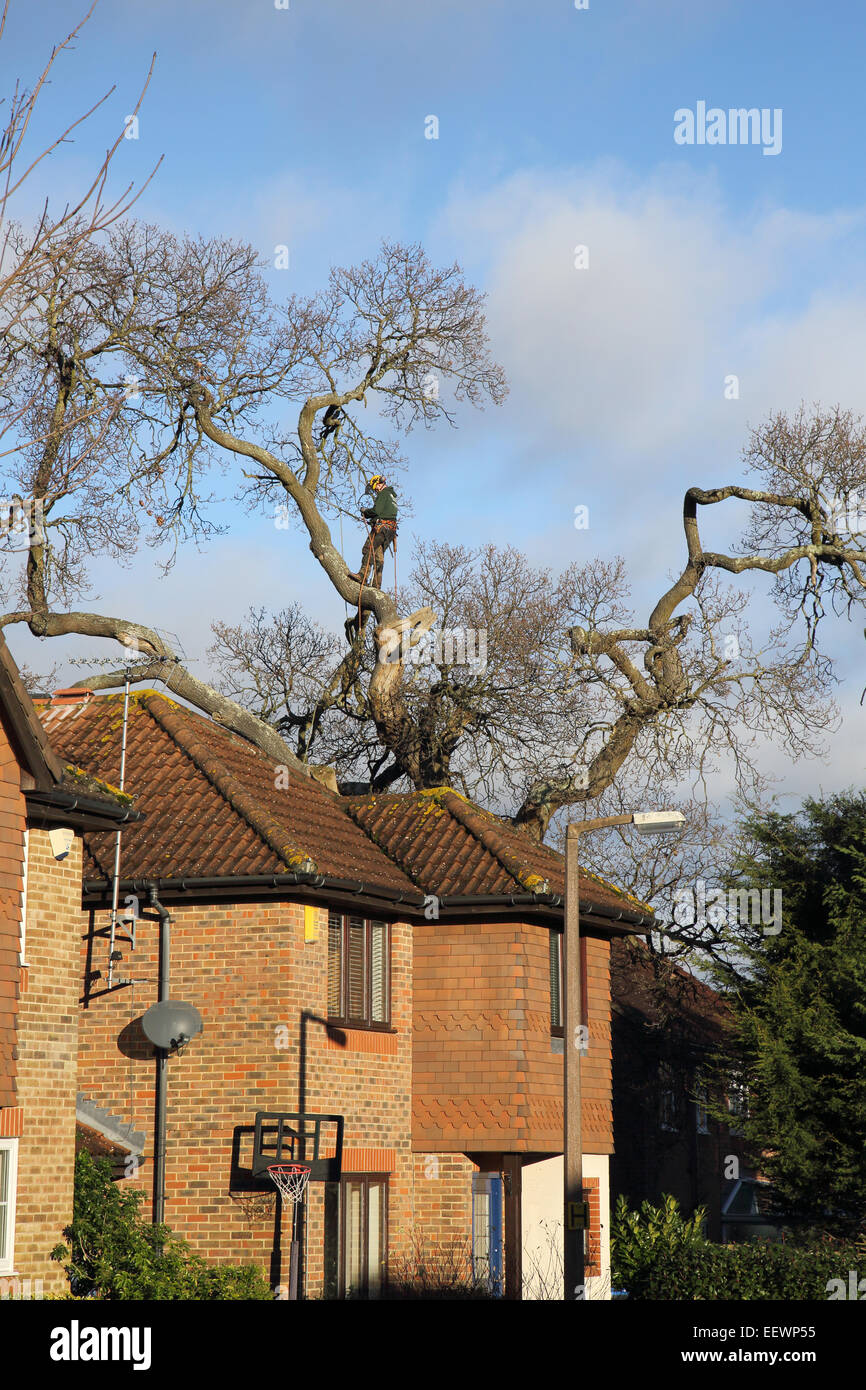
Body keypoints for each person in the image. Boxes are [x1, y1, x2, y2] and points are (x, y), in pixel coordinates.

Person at [347, 475, 398, 589]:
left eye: (375, 488)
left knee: (368, 549)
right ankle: (376, 584)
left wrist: (365, 512)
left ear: (378, 484)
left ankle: (362, 576)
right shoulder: (391, 496)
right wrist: (373, 520)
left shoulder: (383, 494)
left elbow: (377, 511)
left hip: (381, 528)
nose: (375, 490)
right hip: (390, 531)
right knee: (379, 557)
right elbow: (385, 513)